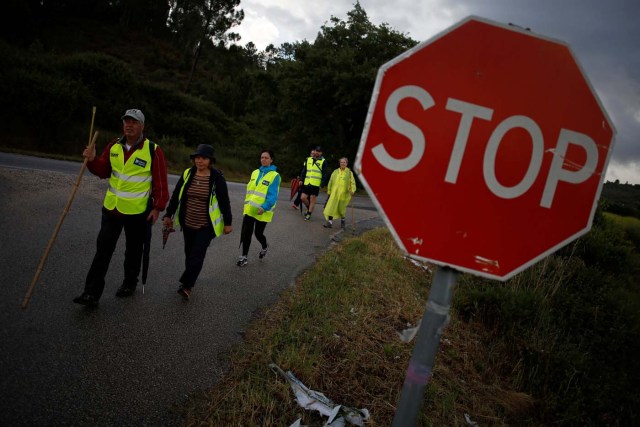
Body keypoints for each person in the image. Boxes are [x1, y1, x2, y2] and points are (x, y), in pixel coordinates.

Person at [73, 109, 169, 306]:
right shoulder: (114, 146)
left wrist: (157, 208)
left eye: (133, 122)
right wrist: (91, 160)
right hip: (111, 209)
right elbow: (102, 171)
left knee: (133, 250)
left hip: (138, 211)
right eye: (126, 121)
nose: (129, 125)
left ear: (142, 126)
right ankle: (91, 293)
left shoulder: (153, 150)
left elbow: (160, 182)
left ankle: (129, 283)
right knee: (103, 250)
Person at [162, 144, 233, 299]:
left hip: (206, 225)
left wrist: (228, 223)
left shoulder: (217, 178)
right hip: (187, 223)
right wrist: (168, 214)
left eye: (204, 158)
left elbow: (224, 202)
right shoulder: (188, 173)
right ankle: (189, 279)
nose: (200, 161)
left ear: (210, 161)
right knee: (189, 253)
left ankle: (187, 285)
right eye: (197, 158)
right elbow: (176, 195)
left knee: (197, 254)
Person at [237, 149, 281, 267]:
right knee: (247, 232)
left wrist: (265, 207)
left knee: (258, 233)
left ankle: (265, 246)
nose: (263, 159)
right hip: (250, 209)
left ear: (271, 160)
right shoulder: (255, 172)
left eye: (266, 158)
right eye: (262, 157)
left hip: (263, 211)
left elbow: (273, 196)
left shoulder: (275, 176)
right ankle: (244, 256)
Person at [323, 157, 357, 229]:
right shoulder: (335, 172)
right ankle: (329, 223)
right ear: (339, 163)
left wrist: (352, 190)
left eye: (344, 162)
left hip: (343, 195)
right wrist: (329, 190)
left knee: (341, 209)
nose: (342, 163)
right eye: (341, 162)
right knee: (331, 207)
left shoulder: (349, 173)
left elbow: (352, 183)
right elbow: (331, 181)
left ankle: (343, 221)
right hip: (334, 194)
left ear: (346, 163)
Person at [299, 146, 329, 221]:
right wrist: (301, 179)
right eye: (316, 151)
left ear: (321, 153)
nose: (317, 152)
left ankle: (309, 214)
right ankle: (309, 208)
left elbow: (324, 173)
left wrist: (322, 183)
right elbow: (304, 171)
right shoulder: (308, 159)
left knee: (312, 199)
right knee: (303, 198)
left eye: (318, 151)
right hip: (307, 182)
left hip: (315, 184)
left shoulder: (323, 161)